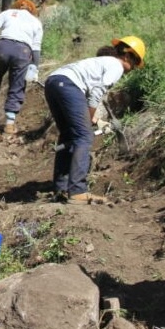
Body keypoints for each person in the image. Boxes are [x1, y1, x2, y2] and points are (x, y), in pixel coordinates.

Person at [44, 36, 145, 205]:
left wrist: (95, 119)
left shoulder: (102, 62)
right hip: (68, 85)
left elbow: (85, 93)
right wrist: (90, 117)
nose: (133, 69)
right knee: (84, 136)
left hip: (54, 82)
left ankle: (61, 189)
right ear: (128, 56)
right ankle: (77, 191)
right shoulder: (116, 66)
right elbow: (97, 92)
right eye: (135, 63)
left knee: (68, 136)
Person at [0, 0, 43, 134]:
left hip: (2, 47)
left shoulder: (8, 13)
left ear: (18, 6)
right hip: (23, 51)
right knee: (17, 86)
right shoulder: (36, 22)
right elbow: (36, 49)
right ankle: (9, 124)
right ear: (32, 10)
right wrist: (34, 67)